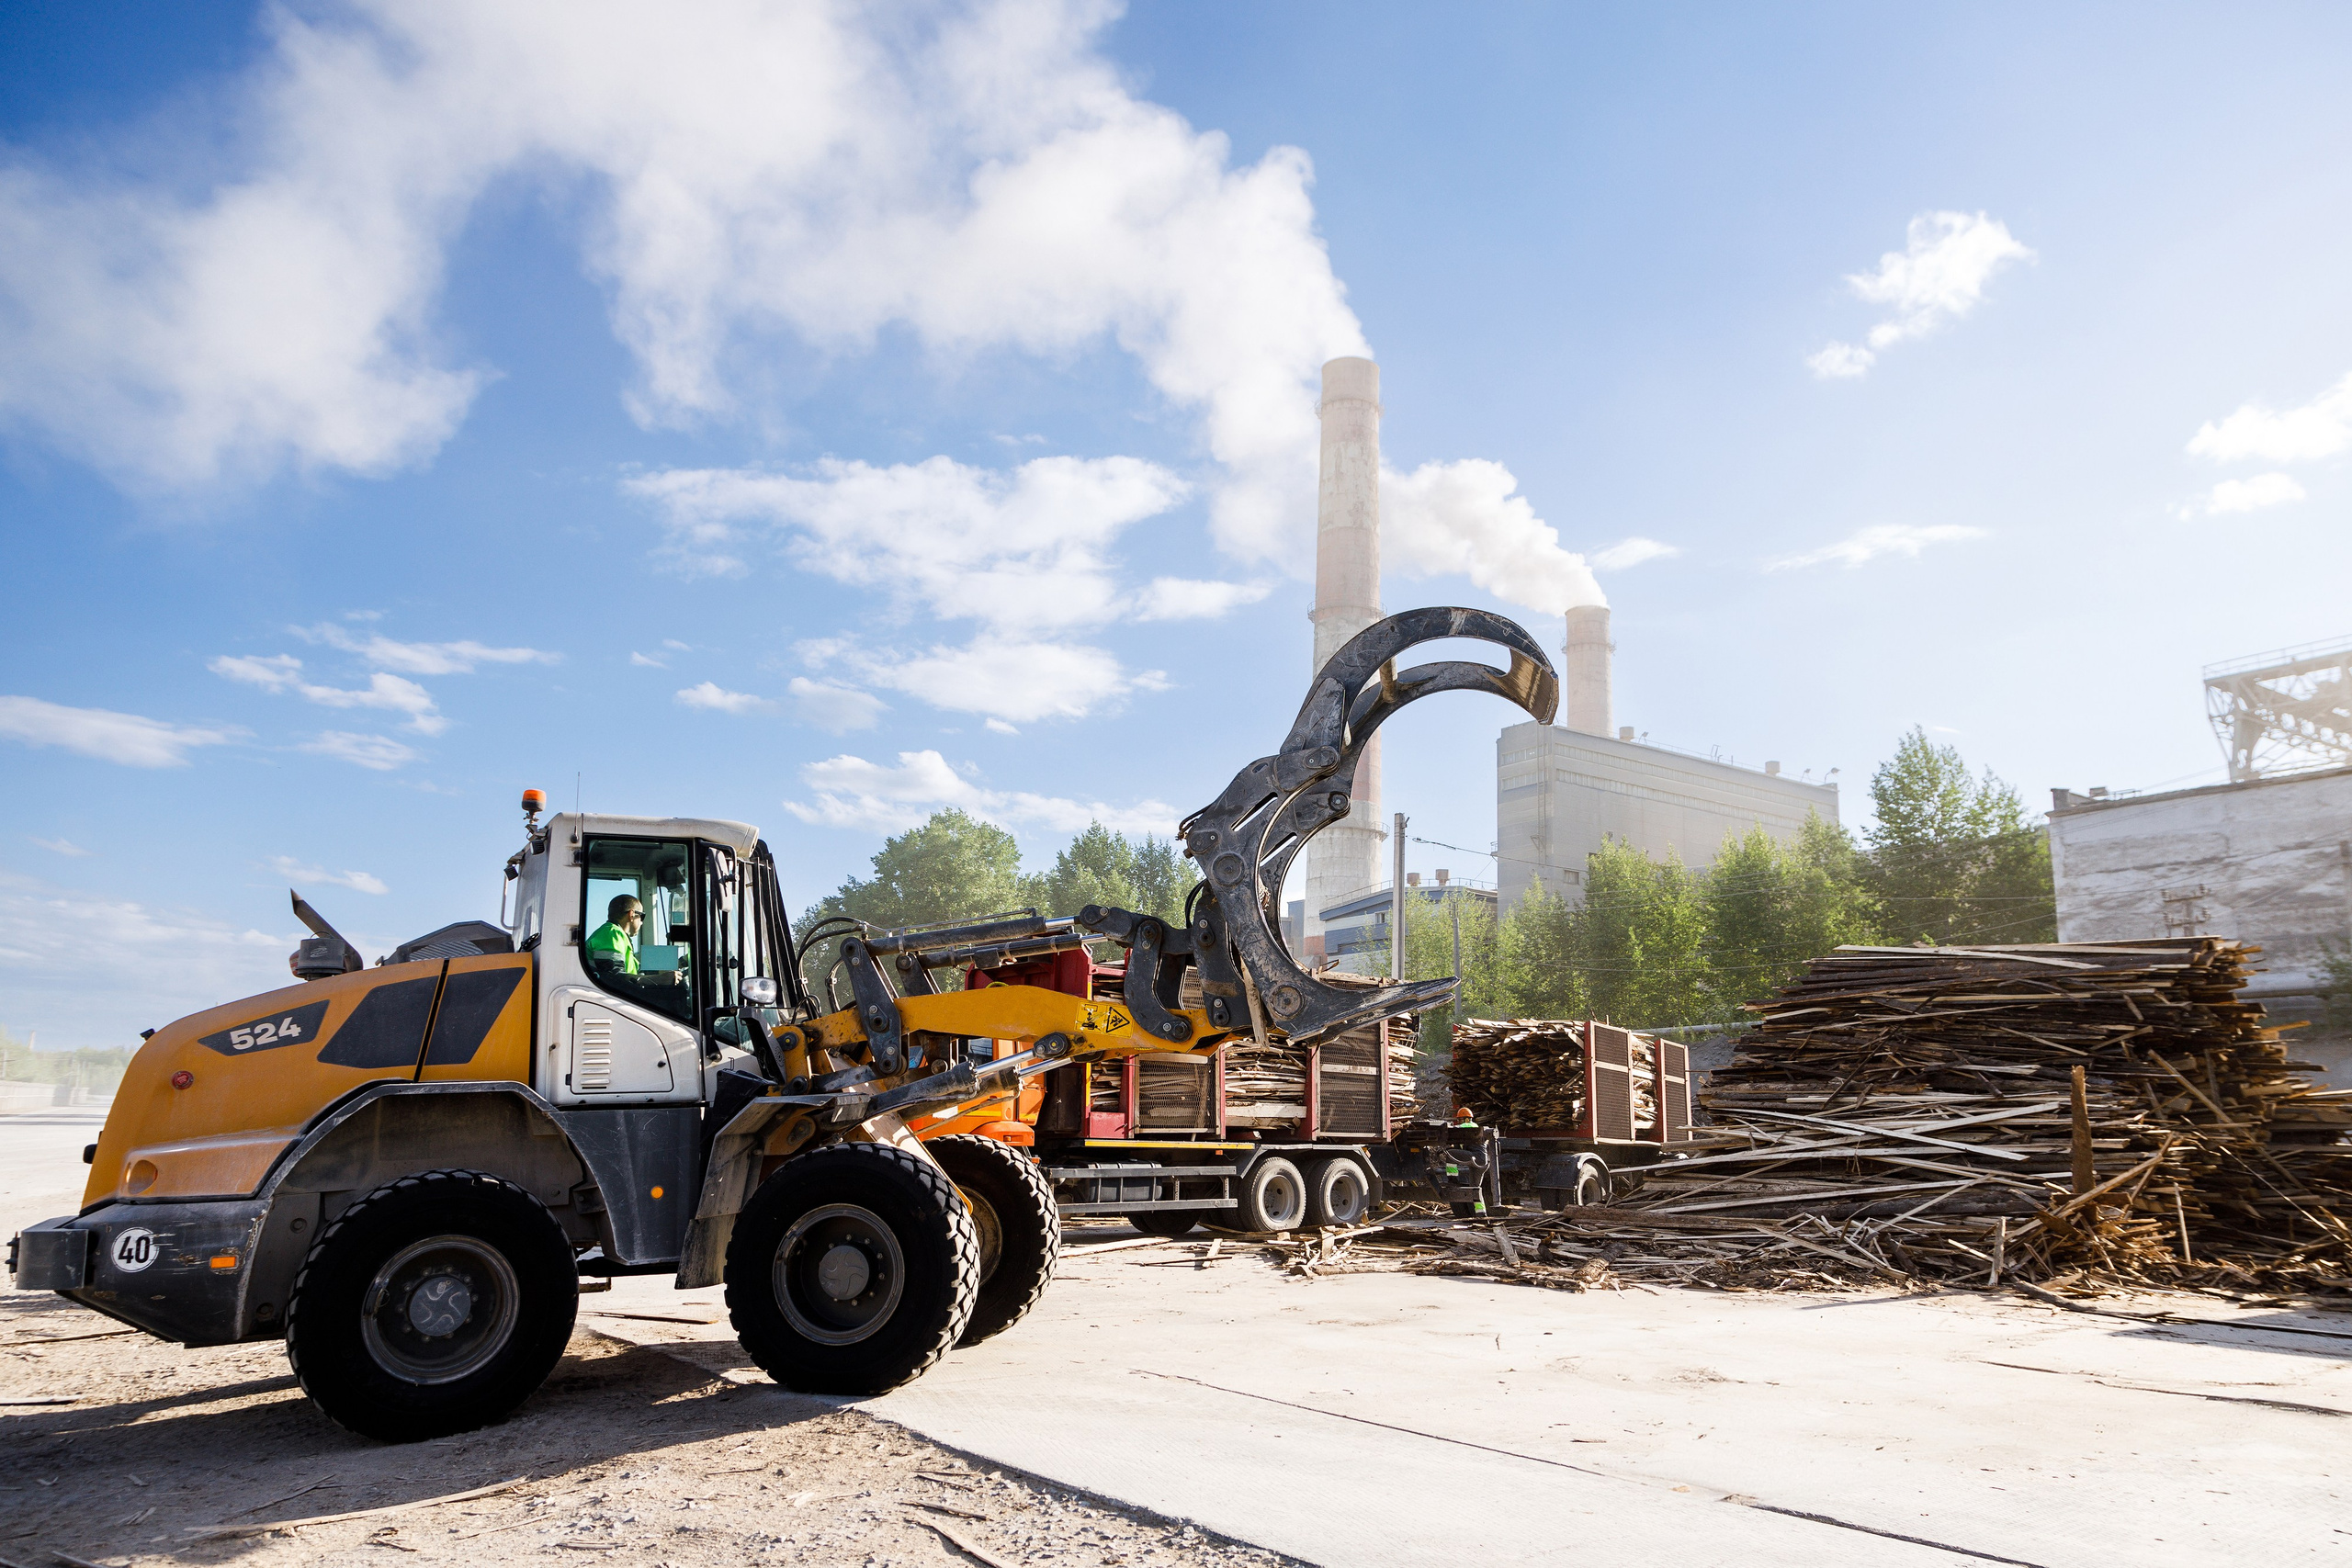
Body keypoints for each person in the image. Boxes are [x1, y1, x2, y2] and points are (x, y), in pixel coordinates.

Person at [587, 895, 643, 976]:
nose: (642, 922)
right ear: (632, 914)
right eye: (642, 916)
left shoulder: (615, 935)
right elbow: (613, 976)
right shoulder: (611, 933)